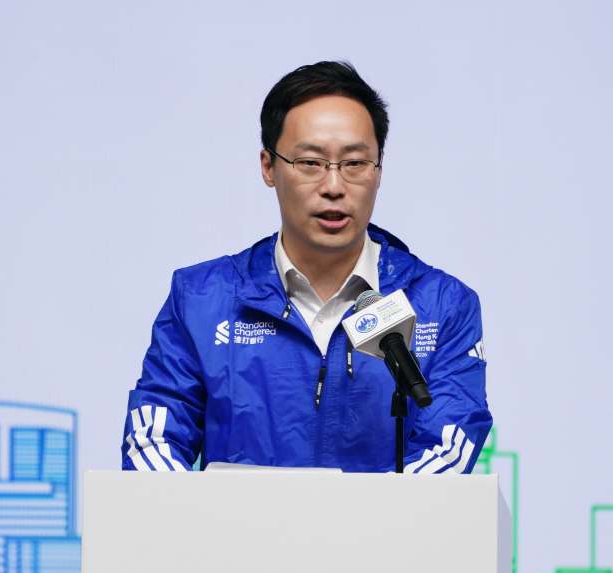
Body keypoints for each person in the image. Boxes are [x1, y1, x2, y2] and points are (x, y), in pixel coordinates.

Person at [122, 61, 491, 473]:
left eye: (355, 163)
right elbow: (153, 440)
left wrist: (360, 518)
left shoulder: (442, 306)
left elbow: (448, 449)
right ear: (268, 166)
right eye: (310, 163)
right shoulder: (201, 300)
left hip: (387, 522)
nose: (333, 187)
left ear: (379, 170)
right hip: (232, 521)